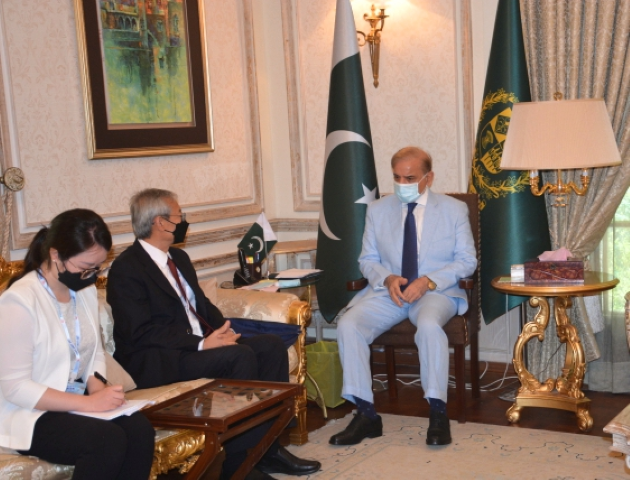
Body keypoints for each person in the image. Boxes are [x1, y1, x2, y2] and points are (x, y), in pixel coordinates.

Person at [107, 188, 320, 479]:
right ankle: (236, 464)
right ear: (160, 222)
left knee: (270, 346)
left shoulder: (178, 258)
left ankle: (267, 450)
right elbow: (140, 331)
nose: (183, 222)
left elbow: (202, 305)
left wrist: (223, 331)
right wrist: (201, 344)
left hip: (198, 345)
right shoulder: (127, 268)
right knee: (238, 356)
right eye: (179, 216)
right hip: (159, 358)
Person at [329, 147, 477, 447]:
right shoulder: (377, 210)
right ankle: (366, 414)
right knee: (349, 324)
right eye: (397, 177)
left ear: (428, 178)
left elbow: (467, 261)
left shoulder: (453, 209)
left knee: (429, 326)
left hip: (435, 291)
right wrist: (387, 278)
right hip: (391, 292)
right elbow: (367, 260)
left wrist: (428, 281)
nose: (402, 184)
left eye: (410, 178)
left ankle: (438, 413)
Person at [0, 209, 155, 479]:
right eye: (85, 268)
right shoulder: (20, 302)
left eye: (98, 268)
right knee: (105, 441)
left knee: (140, 430)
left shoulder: (84, 290)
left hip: (73, 400)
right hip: (28, 411)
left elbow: (94, 350)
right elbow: (15, 388)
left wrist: (97, 389)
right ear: (55, 255)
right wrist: (89, 404)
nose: (91, 276)